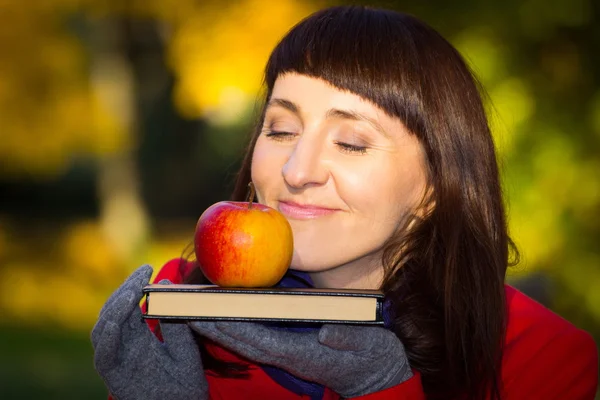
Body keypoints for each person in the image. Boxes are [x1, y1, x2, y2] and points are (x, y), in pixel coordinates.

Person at [91, 5, 598, 400]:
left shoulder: (540, 356)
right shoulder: (181, 313)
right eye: (282, 130)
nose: (296, 172)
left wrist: (382, 388)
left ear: (437, 186)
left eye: (351, 142)